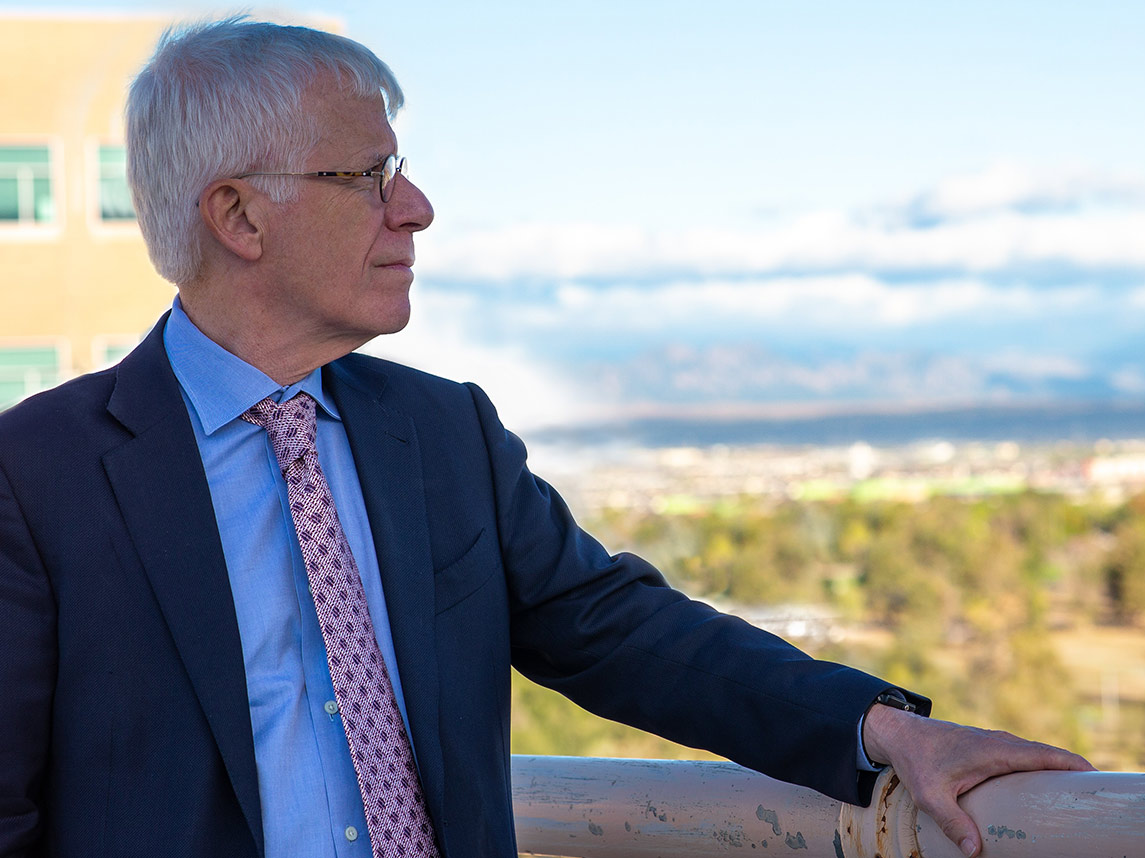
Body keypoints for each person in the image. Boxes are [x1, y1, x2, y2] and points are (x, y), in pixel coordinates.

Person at [0, 16, 1090, 858]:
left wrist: (878, 727)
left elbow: (621, 632)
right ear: (238, 217)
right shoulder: (36, 476)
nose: (416, 206)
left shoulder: (443, 433)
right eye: (367, 176)